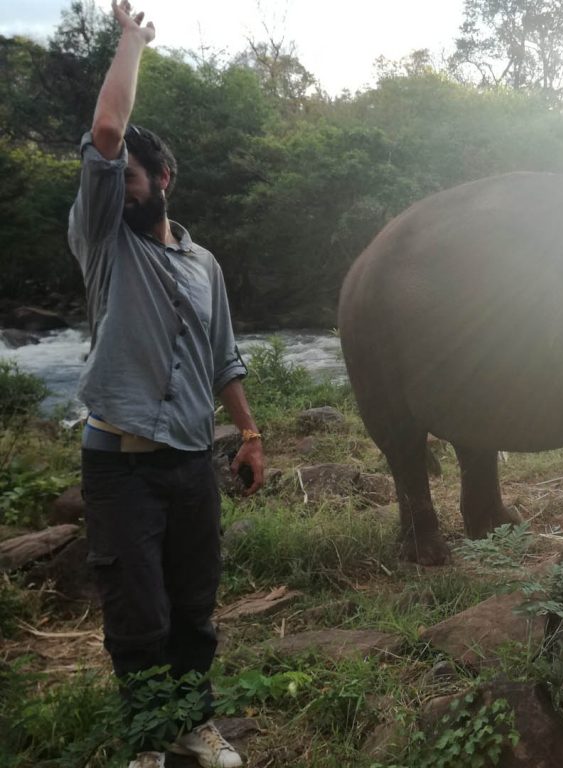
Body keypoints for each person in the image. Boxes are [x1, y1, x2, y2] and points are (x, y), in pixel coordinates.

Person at [68, 3, 265, 767]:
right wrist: (132, 40)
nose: (121, 185)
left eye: (133, 178)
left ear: (165, 180)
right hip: (119, 466)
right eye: (116, 176)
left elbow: (223, 357)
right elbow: (107, 131)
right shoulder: (104, 240)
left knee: (193, 607)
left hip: (189, 463)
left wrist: (249, 434)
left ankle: (191, 723)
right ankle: (148, 743)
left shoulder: (203, 263)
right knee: (137, 613)